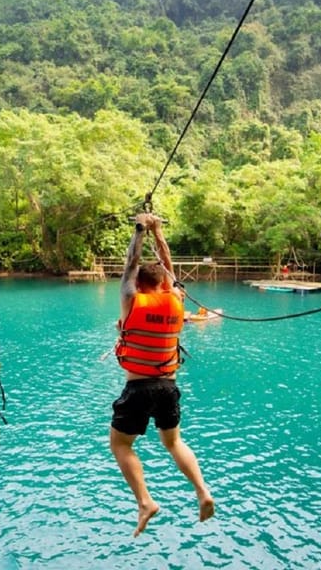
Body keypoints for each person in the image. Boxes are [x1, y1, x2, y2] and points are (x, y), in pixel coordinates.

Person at [110, 213, 215, 537]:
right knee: (173, 442)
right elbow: (167, 263)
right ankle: (202, 491)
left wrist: (140, 229)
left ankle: (145, 502)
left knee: (121, 445)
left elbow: (131, 261)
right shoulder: (176, 299)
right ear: (165, 284)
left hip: (139, 388)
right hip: (168, 387)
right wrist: (157, 231)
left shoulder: (132, 300)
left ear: (140, 284)